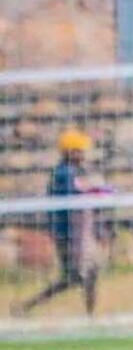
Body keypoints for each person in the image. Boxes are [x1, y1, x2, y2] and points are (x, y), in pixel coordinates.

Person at [13, 129, 106, 317]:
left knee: (80, 275)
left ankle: (89, 315)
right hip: (69, 234)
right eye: (80, 151)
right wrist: (92, 192)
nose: (84, 155)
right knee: (79, 276)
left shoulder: (69, 172)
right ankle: (28, 307)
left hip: (74, 233)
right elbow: (72, 200)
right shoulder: (64, 174)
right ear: (71, 152)